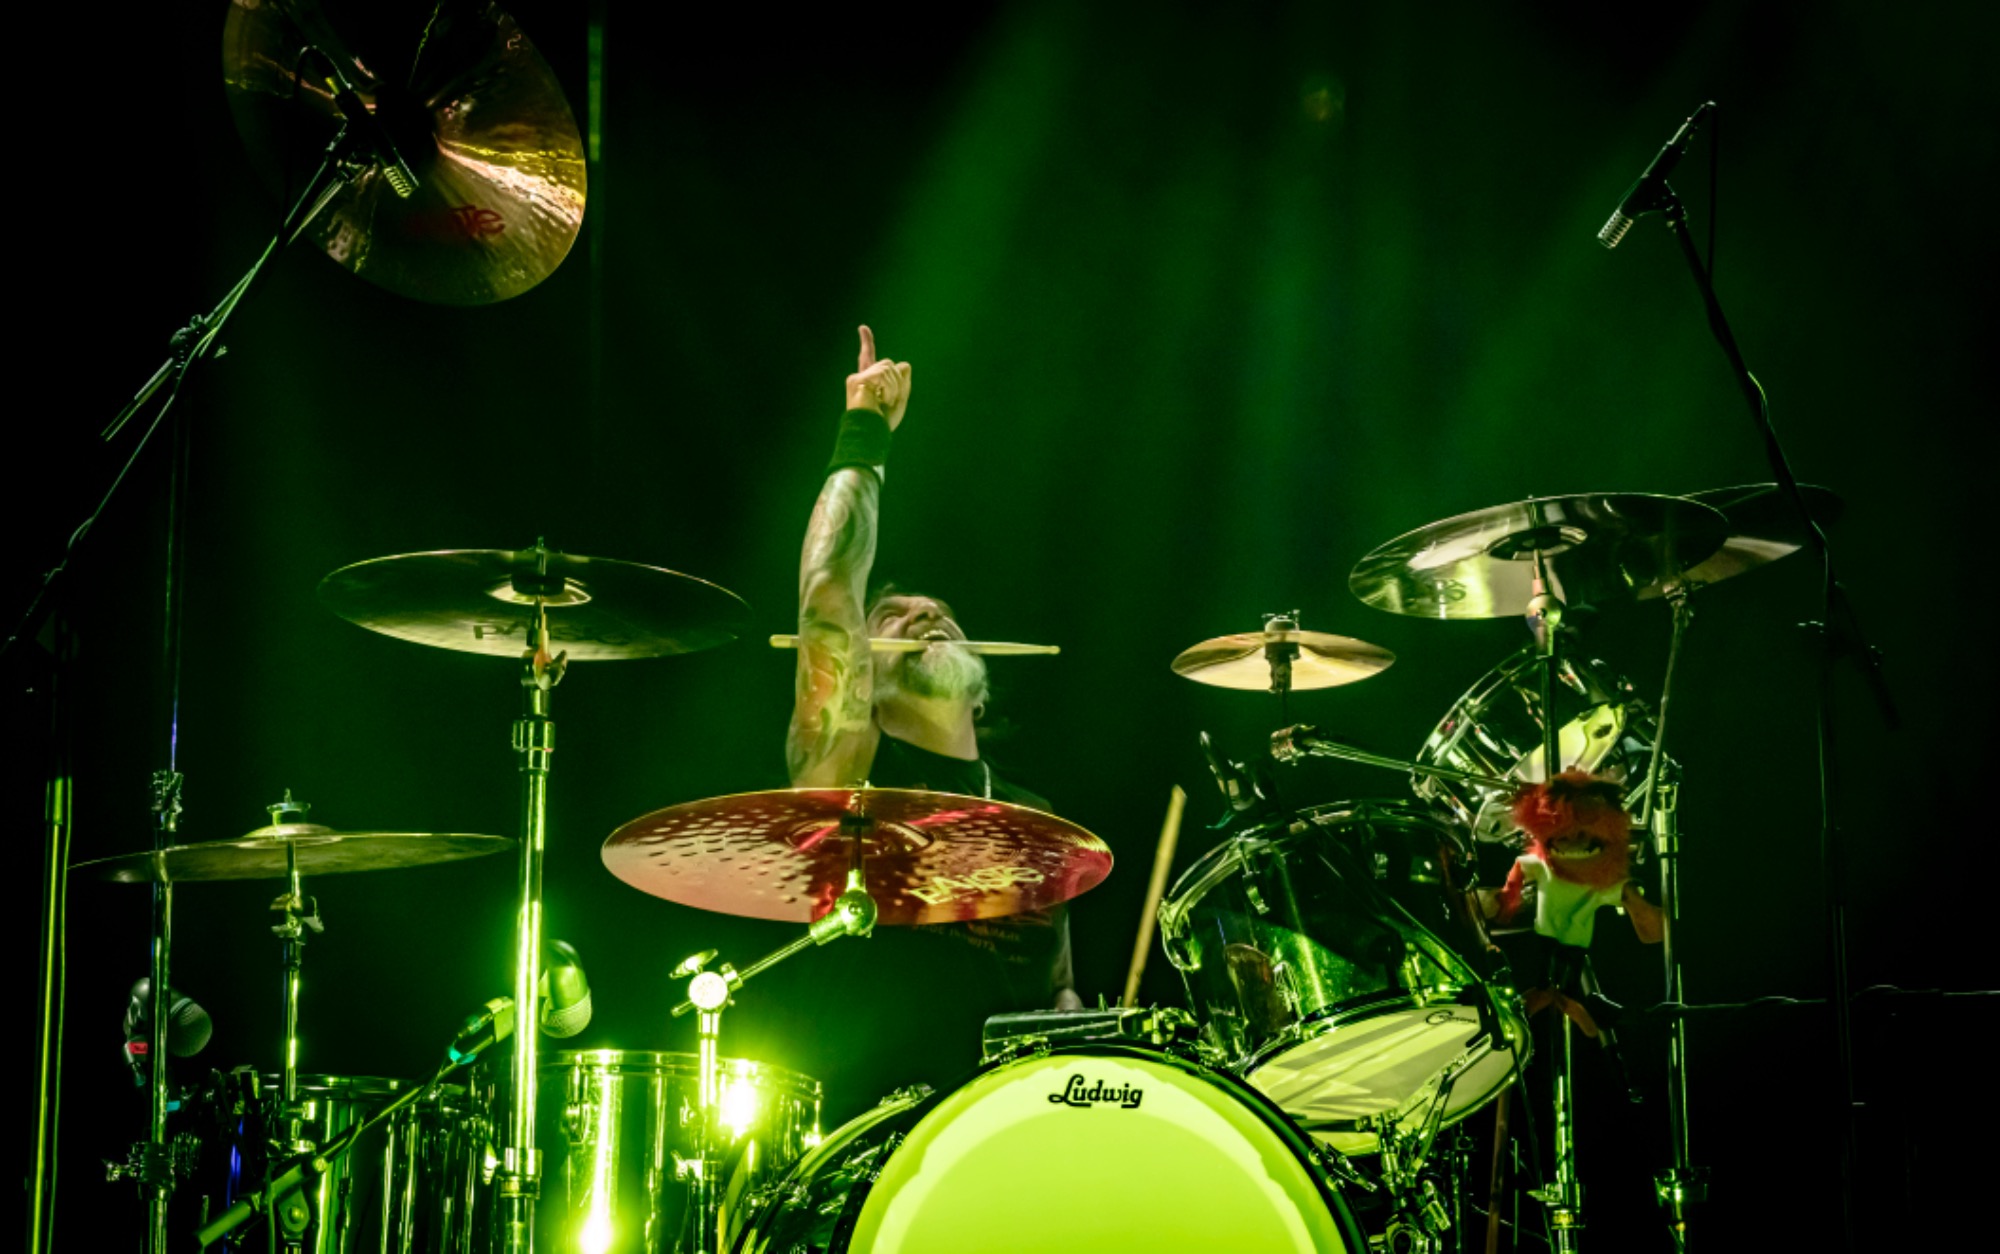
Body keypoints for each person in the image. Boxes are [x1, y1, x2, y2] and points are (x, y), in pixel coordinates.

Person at [788, 325, 1080, 1022]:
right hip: (879, 1089)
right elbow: (828, 591)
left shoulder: (1035, 817)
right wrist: (865, 433)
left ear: (980, 692)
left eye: (941, 614)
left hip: (1013, 1088)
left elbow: (1057, 980)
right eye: (892, 617)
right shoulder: (850, 770)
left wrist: (1074, 1013)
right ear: (863, 677)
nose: (925, 614)